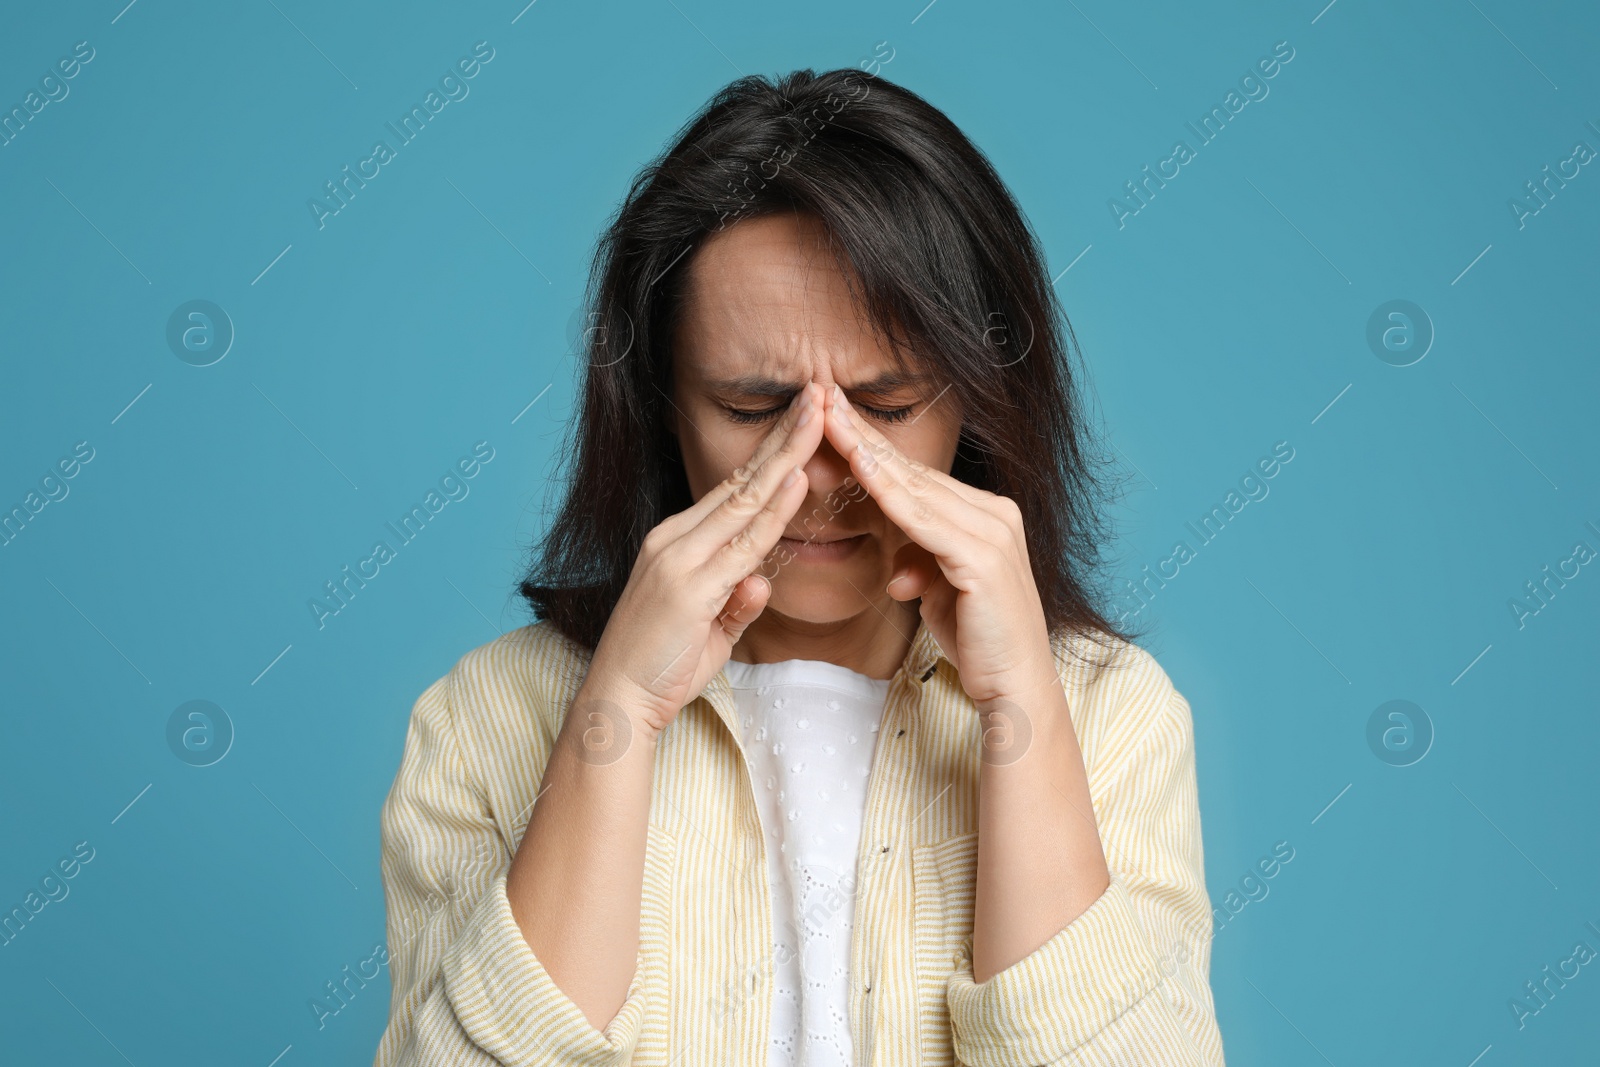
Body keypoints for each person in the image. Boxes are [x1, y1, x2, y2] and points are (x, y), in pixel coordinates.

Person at [374, 65, 1224, 1067]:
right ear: (661, 405)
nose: (821, 475)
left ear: (975, 402)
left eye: (889, 407)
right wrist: (620, 709)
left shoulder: (1111, 717)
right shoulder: (487, 720)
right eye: (750, 409)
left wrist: (1019, 706)